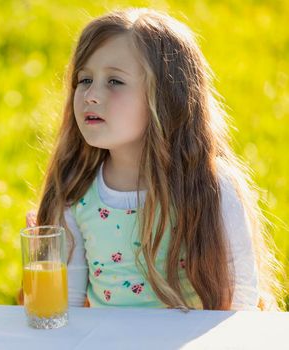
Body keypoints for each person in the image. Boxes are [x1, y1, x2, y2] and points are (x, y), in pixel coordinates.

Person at [18, 8, 285, 311]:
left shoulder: (209, 184)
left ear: (167, 96)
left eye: (114, 82)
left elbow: (242, 299)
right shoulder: (77, 190)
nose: (91, 95)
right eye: (85, 79)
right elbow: (69, 308)